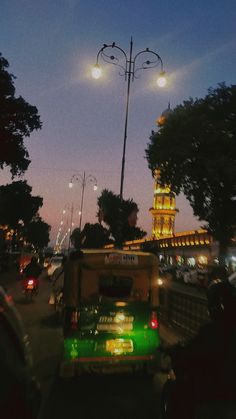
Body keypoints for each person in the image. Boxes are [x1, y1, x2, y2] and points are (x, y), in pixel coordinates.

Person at [162, 264, 236, 419]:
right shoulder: (222, 328)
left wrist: (173, 351)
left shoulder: (214, 330)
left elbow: (194, 351)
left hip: (218, 388)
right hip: (227, 388)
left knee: (183, 393)